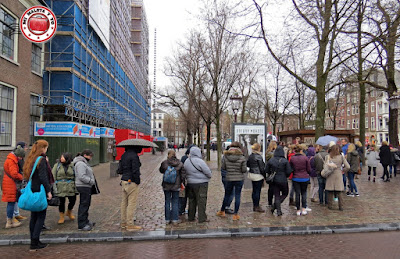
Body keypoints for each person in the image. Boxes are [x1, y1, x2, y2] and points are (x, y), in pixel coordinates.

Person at [22, 140, 53, 250]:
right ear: (43, 148)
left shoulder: (31, 159)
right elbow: (43, 177)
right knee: (41, 216)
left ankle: (33, 240)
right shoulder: (41, 160)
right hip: (40, 190)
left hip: (32, 189)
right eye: (46, 147)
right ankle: (35, 242)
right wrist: (49, 191)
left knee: (33, 216)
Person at [217, 142, 247, 220]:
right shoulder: (242, 157)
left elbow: (223, 167)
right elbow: (244, 170)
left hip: (229, 178)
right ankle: (235, 215)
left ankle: (222, 210)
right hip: (239, 179)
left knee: (227, 195)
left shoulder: (226, 157)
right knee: (238, 196)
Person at [183, 146, 212, 223]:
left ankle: (191, 216)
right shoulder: (200, 161)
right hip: (201, 184)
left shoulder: (187, 161)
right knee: (201, 200)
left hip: (190, 183)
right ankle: (202, 217)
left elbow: (185, 172)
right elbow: (208, 173)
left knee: (192, 200)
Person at [119, 146, 143, 231]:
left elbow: (120, 170)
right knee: (131, 203)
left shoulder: (124, 155)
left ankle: (123, 222)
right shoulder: (134, 156)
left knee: (124, 202)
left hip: (124, 180)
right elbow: (135, 170)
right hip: (131, 181)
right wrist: (137, 181)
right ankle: (130, 224)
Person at [159, 150, 186, 225]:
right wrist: (180, 182)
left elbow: (161, 171)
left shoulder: (164, 163)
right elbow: (183, 175)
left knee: (167, 201)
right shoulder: (180, 163)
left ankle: (167, 219)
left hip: (166, 185)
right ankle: (175, 219)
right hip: (176, 185)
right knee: (175, 201)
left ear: (168, 155)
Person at [2, 146, 25, 228]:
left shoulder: (10, 159)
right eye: (21, 157)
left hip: (8, 183)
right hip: (11, 184)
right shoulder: (12, 161)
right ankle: (9, 222)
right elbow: (14, 174)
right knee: (11, 202)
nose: (21, 159)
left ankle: (10, 221)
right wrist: (21, 177)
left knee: (11, 202)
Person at [265, 146, 292, 216]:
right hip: (283, 180)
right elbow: (289, 171)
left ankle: (277, 209)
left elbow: (266, 170)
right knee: (285, 193)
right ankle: (276, 208)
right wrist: (285, 175)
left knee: (276, 195)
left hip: (274, 180)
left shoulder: (271, 160)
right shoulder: (285, 161)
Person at [74, 149, 96, 231]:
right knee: (84, 204)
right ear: (85, 155)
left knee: (86, 204)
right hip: (83, 186)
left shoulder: (83, 163)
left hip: (86, 186)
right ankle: (81, 224)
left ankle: (86, 221)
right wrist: (91, 181)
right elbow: (81, 176)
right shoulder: (81, 164)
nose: (90, 158)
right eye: (90, 156)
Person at [52, 152, 77, 224]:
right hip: (60, 186)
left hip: (70, 186)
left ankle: (69, 212)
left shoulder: (72, 165)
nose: (61, 158)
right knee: (61, 202)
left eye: (63, 157)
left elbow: (75, 175)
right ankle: (61, 216)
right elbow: (53, 175)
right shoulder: (57, 165)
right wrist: (54, 185)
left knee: (72, 200)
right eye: (61, 157)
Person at [325, 144, 350, 211]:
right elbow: (348, 166)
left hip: (330, 174)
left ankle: (330, 205)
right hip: (338, 174)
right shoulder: (341, 157)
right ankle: (341, 206)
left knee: (330, 191)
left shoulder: (328, 157)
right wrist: (342, 170)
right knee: (339, 192)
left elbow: (325, 166)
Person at [289, 144, 311, 216]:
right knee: (304, 193)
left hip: (296, 177)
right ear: (301, 150)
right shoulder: (305, 158)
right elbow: (308, 169)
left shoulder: (292, 158)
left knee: (297, 194)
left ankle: (298, 210)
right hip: (304, 177)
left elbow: (290, 168)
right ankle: (304, 208)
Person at [247, 143, 265, 213]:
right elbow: (262, 168)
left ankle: (255, 205)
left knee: (254, 190)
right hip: (258, 175)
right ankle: (256, 206)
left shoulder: (251, 156)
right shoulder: (258, 156)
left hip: (252, 174)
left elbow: (247, 164)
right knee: (257, 191)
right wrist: (265, 176)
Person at [265, 141, 277, 207]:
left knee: (270, 187)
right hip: (274, 171)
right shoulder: (273, 153)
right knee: (274, 187)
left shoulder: (267, 152)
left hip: (269, 171)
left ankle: (270, 201)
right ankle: (274, 201)